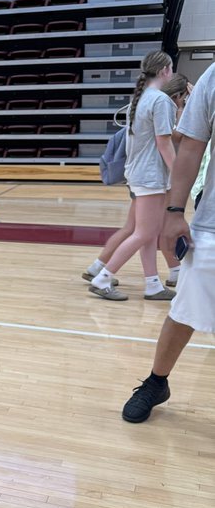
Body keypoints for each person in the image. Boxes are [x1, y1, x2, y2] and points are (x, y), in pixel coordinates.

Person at [121, 60, 215, 421]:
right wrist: (175, 211)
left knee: (139, 233)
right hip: (207, 219)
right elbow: (189, 147)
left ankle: (106, 272)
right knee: (183, 310)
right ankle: (157, 381)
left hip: (144, 179)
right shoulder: (208, 79)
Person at [82, 72, 191, 290]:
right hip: (153, 177)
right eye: (184, 97)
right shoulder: (164, 109)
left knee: (136, 228)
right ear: (178, 95)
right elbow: (174, 140)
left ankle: (100, 267)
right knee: (154, 228)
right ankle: (105, 274)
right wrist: (187, 106)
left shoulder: (147, 103)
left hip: (141, 176)